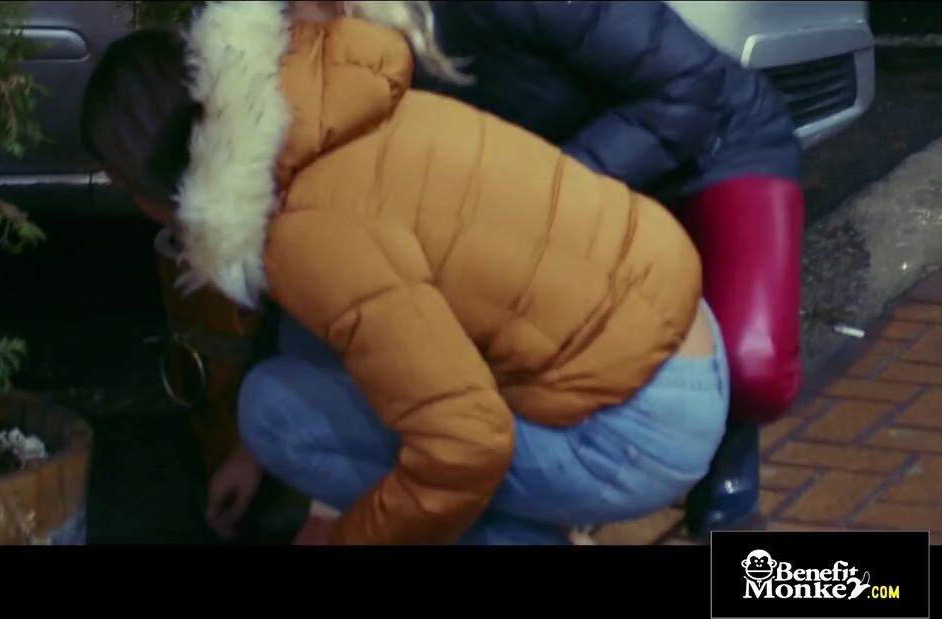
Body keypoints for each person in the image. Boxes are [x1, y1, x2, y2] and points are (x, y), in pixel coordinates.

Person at [82, 0, 730, 544]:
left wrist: (349, 537)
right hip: (676, 335)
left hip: (638, 425)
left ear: (149, 190)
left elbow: (467, 447)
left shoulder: (307, 235)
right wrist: (268, 472)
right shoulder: (324, 102)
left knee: (285, 419)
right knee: (298, 371)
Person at [409, 1, 806, 537]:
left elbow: (690, 84)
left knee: (753, 370)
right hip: (578, 170)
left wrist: (558, 188)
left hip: (717, 144)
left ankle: (731, 450)